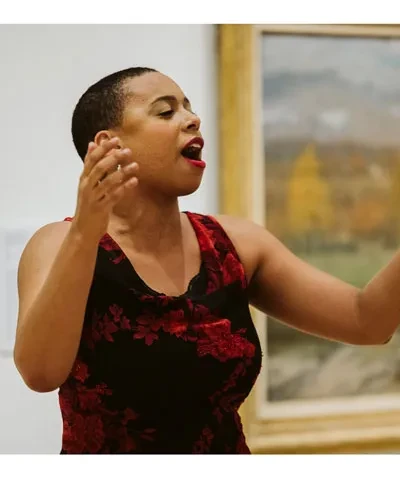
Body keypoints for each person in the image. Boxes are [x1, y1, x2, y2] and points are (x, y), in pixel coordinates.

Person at [13, 66, 399, 454]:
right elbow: (41, 373)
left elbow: (366, 321)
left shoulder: (235, 244)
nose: (193, 119)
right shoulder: (59, 243)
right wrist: (85, 232)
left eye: (188, 108)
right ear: (108, 144)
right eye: (166, 112)